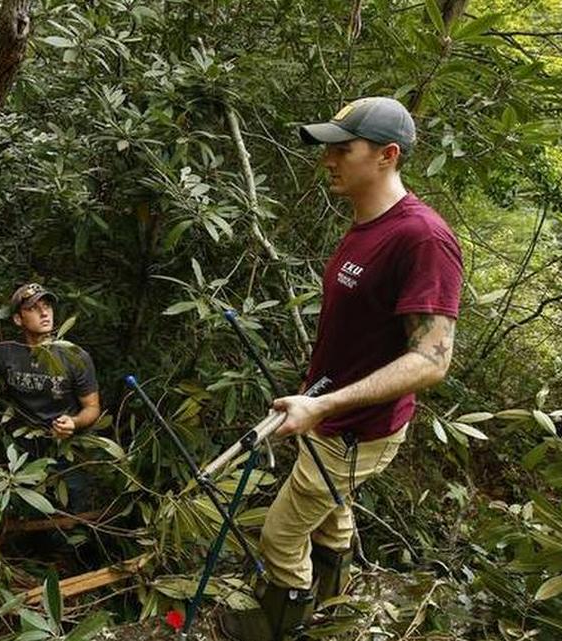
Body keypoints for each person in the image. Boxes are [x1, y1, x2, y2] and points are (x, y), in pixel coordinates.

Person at [223, 97, 463, 640]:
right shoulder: (366, 225)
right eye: (327, 148)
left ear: (388, 155)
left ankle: (283, 627)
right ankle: (335, 609)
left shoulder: (421, 238)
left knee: (280, 539)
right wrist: (314, 394)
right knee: (333, 510)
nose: (328, 160)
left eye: (343, 149)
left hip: (356, 428)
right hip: (329, 415)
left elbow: (432, 359)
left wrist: (323, 405)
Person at [0, 283, 100, 508]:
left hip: (66, 447)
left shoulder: (74, 356)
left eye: (47, 306)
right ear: (18, 319)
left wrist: (73, 422)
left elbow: (92, 407)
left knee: (74, 504)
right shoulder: (7, 353)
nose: (44, 313)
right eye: (34, 308)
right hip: (22, 447)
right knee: (27, 507)